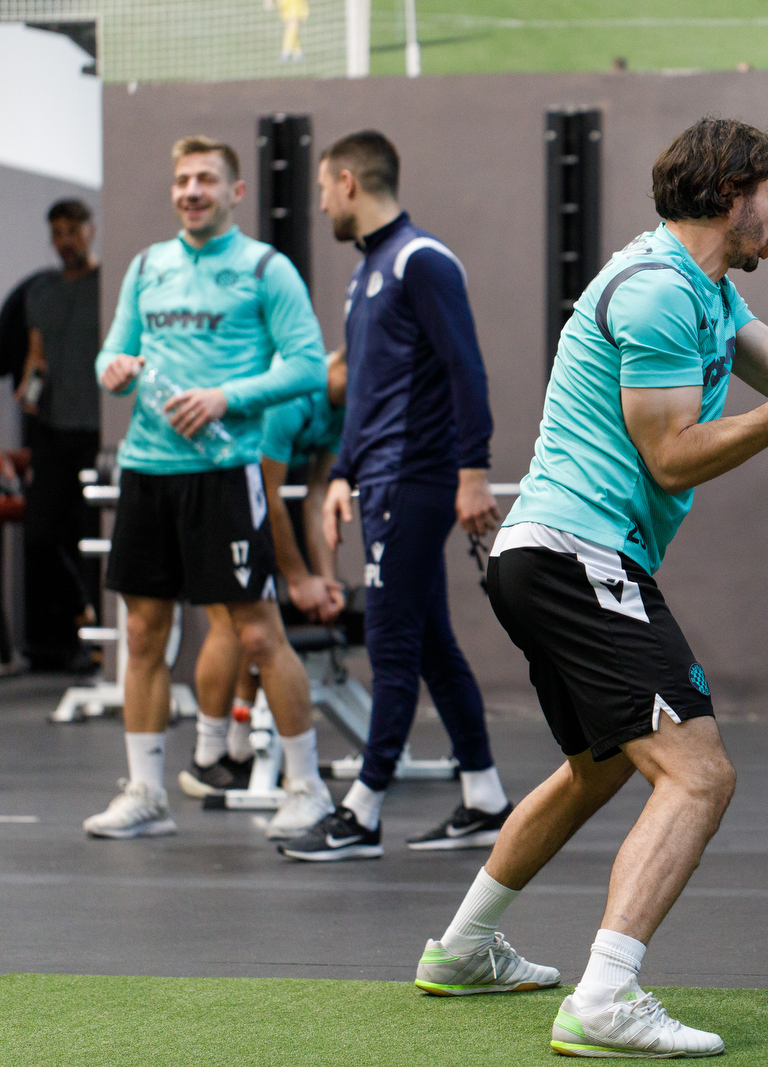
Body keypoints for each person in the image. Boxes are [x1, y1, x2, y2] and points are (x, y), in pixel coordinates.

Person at [411, 117, 768, 1057]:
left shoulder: (706, 291)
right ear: (732, 197)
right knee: (699, 773)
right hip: (577, 554)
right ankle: (606, 994)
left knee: (600, 765)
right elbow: (672, 458)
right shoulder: (655, 295)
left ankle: (464, 945)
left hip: (557, 555)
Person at [86, 135, 334, 841]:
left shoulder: (265, 268)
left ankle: (308, 788)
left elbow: (309, 365)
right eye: (182, 180)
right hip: (147, 469)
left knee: (257, 631)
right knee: (141, 631)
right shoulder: (147, 265)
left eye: (206, 180)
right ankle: (145, 792)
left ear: (235, 192)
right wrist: (113, 367)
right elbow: (113, 347)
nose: (191, 191)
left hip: (224, 474)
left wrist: (226, 396)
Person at [280, 129, 508, 862]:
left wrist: (473, 472)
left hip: (416, 478)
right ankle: (485, 796)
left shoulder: (420, 260)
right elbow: (368, 393)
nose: (320, 204)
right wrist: (342, 473)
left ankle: (364, 808)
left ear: (348, 181)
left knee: (392, 639)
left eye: (322, 189)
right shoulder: (366, 272)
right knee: (431, 640)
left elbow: (466, 370)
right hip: (378, 478)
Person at [177, 347, 348, 802]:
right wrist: (298, 579)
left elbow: (314, 501)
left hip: (251, 504)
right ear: (343, 366)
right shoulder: (293, 401)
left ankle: (234, 751)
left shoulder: (345, 412)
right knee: (230, 628)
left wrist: (325, 579)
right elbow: (270, 497)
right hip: (219, 490)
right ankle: (206, 758)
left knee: (258, 633)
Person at [17, 199, 101, 673]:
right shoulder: (42, 291)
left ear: (90, 231)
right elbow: (36, 352)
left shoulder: (106, 287)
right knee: (40, 534)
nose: (64, 240)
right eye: (58, 232)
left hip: (94, 427)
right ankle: (80, 611)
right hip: (52, 429)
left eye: (73, 230)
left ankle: (100, 633)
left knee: (95, 533)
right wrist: (31, 385)